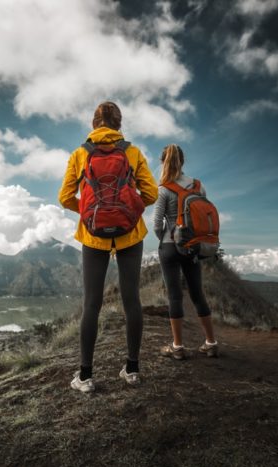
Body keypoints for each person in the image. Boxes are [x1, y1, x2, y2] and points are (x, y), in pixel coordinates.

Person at [59, 101, 158, 392]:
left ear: (94, 124)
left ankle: (86, 376)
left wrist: (90, 213)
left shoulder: (80, 153)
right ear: (118, 124)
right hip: (130, 234)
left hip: (93, 236)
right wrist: (128, 209)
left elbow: (64, 197)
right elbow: (151, 192)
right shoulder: (132, 152)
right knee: (132, 300)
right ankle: (132, 370)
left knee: (92, 303)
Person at [152, 144, 218, 360]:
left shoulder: (163, 188)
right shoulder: (199, 186)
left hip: (171, 246)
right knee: (198, 293)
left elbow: (156, 224)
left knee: (174, 296)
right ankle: (211, 342)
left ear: (163, 162)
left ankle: (178, 347)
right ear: (183, 161)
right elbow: (205, 217)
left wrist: (165, 239)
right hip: (193, 246)